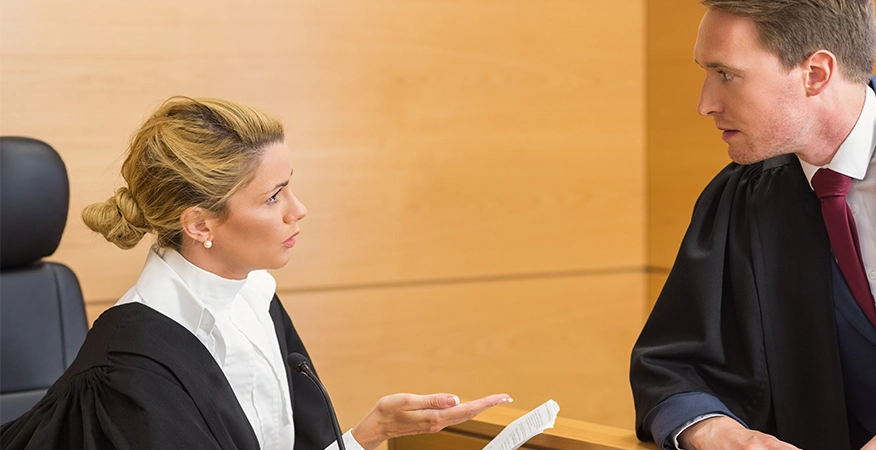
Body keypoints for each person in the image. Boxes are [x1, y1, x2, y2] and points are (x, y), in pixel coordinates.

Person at [0, 97, 512, 450]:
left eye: (289, 185)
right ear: (200, 223)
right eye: (273, 197)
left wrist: (369, 432)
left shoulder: (254, 296)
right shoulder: (131, 369)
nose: (298, 209)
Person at [630, 1, 876, 449]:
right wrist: (716, 432)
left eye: (726, 74)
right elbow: (674, 367)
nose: (705, 104)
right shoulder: (747, 198)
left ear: (816, 73)